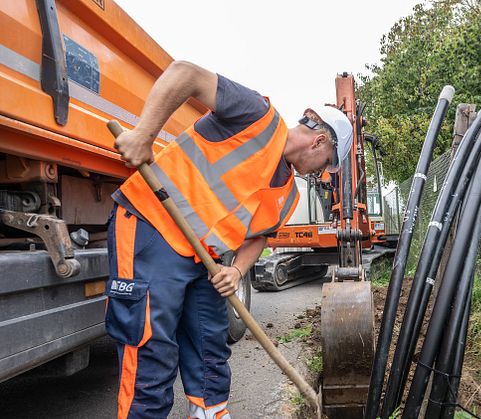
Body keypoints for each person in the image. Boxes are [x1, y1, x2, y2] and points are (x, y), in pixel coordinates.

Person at [106, 60, 352, 419]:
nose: (321, 174)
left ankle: (211, 414)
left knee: (210, 344)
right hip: (152, 225)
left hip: (204, 259)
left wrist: (236, 271)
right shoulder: (258, 116)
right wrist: (144, 134)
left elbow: (259, 238)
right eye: (327, 164)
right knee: (150, 348)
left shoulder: (289, 192)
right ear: (318, 142)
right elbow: (184, 73)